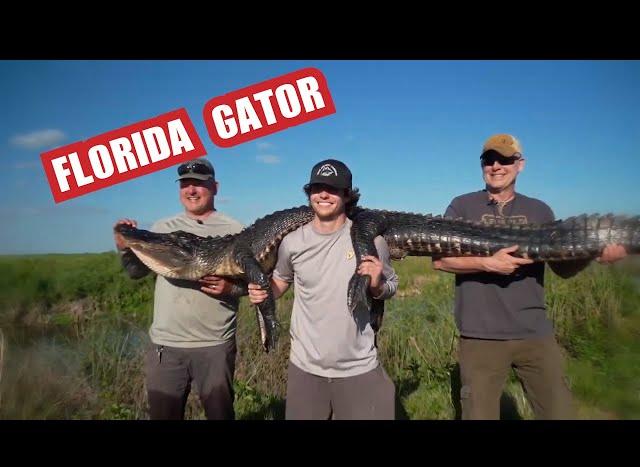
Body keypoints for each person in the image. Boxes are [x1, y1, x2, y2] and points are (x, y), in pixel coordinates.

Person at [432, 133, 628, 420]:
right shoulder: (462, 206)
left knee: (560, 412)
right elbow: (441, 260)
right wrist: (488, 264)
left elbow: (562, 268)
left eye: (505, 159)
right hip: (480, 336)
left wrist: (594, 254)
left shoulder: (539, 210)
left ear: (520, 165)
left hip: (535, 332)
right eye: (489, 160)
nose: (496, 166)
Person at [248, 159, 399, 420]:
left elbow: (391, 286)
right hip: (305, 369)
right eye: (317, 188)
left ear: (347, 195)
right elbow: (281, 281)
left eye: (332, 189)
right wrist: (264, 292)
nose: (323, 195)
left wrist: (377, 284)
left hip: (358, 367)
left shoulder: (373, 241)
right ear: (309, 193)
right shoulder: (292, 242)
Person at [113, 157, 245, 420]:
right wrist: (126, 248)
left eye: (199, 183)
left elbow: (253, 283)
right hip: (166, 346)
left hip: (215, 346)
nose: (192, 190)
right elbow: (137, 272)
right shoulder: (163, 228)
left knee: (221, 414)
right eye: (185, 184)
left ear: (215, 187)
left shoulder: (235, 230)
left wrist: (230, 288)